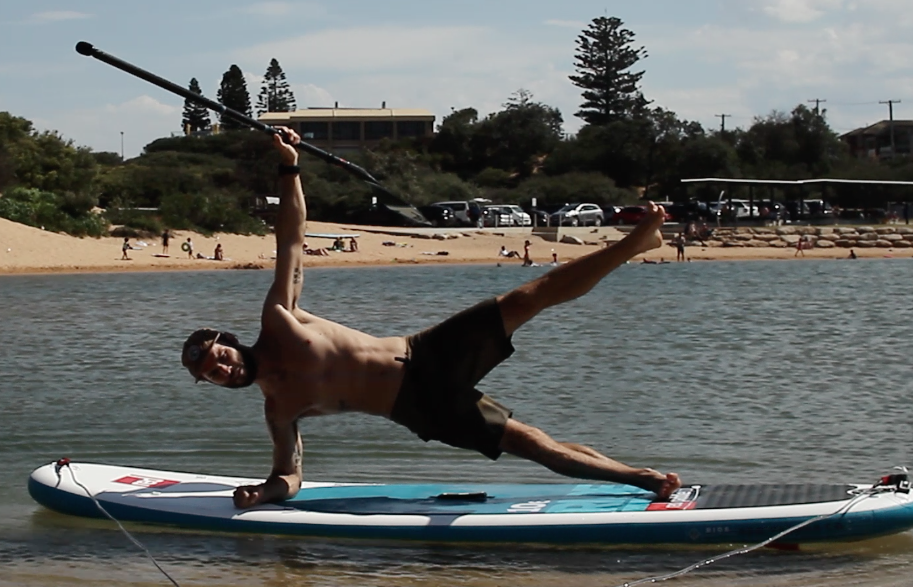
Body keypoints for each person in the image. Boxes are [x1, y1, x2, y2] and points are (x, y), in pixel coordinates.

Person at [180, 127, 681, 510]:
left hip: (423, 350)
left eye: (220, 358)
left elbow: (290, 238)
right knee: (535, 446)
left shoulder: (279, 320)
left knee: (530, 295)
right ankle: (642, 478)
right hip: (419, 405)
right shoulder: (279, 410)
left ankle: (632, 244)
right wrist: (262, 495)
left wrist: (289, 168)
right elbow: (288, 477)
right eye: (213, 376)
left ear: (230, 341)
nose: (224, 371)